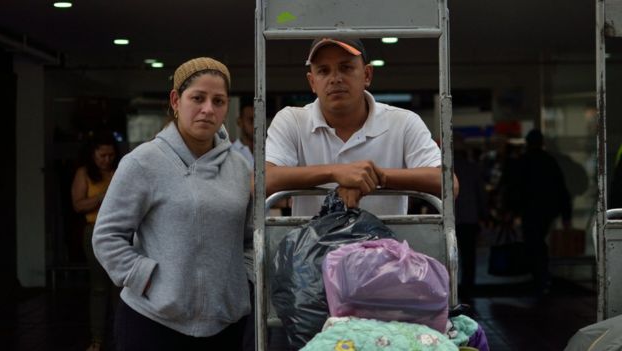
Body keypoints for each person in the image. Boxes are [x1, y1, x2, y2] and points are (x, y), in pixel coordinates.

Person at [92, 57, 252, 350]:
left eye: (218, 101)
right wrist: (151, 280)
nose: (208, 109)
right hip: (152, 322)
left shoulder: (239, 168)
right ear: (176, 100)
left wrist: (240, 284)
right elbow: (106, 236)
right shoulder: (143, 162)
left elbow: (250, 239)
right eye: (198, 98)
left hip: (224, 324)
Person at [266, 37, 457, 216]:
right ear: (312, 82)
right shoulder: (291, 120)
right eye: (323, 71)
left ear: (367, 75)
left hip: (385, 250)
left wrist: (376, 176)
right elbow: (261, 182)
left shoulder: (403, 122)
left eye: (346, 67)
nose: (335, 78)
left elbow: (449, 184)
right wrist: (336, 172)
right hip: (311, 251)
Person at [71, 130, 119, 351]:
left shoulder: (119, 169)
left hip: (121, 232)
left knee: (121, 287)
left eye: (110, 155)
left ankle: (121, 338)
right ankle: (97, 340)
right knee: (99, 287)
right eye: (102, 156)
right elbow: (78, 205)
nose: (107, 160)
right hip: (95, 231)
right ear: (93, 155)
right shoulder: (84, 173)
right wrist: (102, 197)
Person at [508, 129, 572, 296]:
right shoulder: (549, 161)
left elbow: (515, 188)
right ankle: (542, 277)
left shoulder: (524, 161)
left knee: (533, 241)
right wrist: (566, 215)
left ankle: (539, 277)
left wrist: (512, 210)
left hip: (530, 209)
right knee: (538, 241)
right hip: (548, 209)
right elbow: (561, 189)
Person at [453, 133, 487, 298]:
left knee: (450, 255)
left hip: (451, 218)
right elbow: (480, 194)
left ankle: (451, 288)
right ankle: (468, 288)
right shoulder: (473, 168)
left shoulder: (445, 169)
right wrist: (484, 215)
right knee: (469, 256)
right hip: (469, 218)